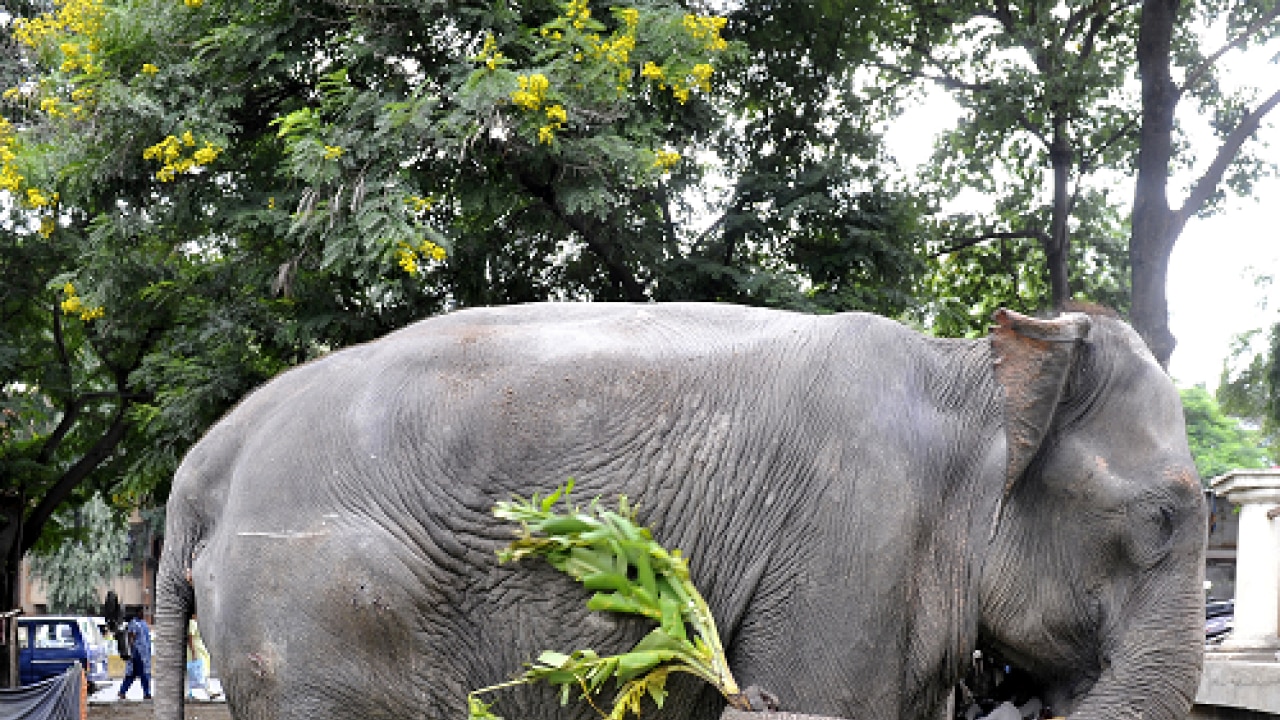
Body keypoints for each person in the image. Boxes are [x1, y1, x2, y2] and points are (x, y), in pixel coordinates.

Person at [118, 611, 152, 700]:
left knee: (133, 674)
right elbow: (133, 638)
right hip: (142, 654)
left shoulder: (134, 624)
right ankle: (146, 692)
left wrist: (128, 651)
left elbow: (131, 639)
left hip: (138, 653)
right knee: (142, 673)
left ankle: (123, 692)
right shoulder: (143, 624)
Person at [186, 614, 211, 698]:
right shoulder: (192, 623)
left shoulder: (196, 623)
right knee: (200, 671)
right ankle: (208, 692)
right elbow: (190, 637)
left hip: (200, 650)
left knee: (203, 671)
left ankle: (209, 692)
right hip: (196, 651)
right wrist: (193, 652)